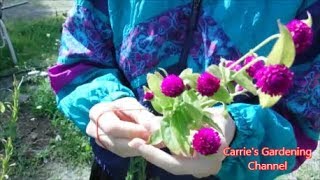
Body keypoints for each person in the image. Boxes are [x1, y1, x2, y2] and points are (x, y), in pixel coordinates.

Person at [48, 0, 320, 179]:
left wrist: (237, 141)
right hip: (115, 166)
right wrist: (105, 103)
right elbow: (80, 58)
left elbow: (298, 136)